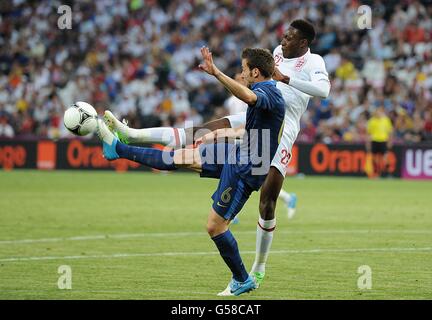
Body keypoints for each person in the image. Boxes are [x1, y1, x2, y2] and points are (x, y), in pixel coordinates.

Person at [104, 19, 328, 289]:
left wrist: (285, 78)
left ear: (303, 42)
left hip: (279, 131)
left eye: (290, 37)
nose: (283, 40)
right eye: (284, 35)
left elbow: (324, 91)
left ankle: (258, 266)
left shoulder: (314, 62)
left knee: (267, 203)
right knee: (196, 134)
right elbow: (255, 87)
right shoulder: (275, 54)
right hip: (254, 117)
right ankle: (131, 136)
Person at [96, 46, 286, 296]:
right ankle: (118, 148)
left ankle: (242, 279)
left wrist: (216, 72)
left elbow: (249, 100)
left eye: (243, 70)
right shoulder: (265, 94)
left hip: (247, 168)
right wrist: (224, 133)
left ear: (256, 72)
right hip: (239, 153)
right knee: (177, 157)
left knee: (215, 227)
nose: (242, 74)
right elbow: (259, 131)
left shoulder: (268, 93)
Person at [366, 106, 393, 177]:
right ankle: (376, 173)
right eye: (377, 111)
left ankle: (387, 173)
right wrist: (368, 143)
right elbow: (369, 134)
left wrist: (390, 141)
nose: (378, 113)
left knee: (385, 158)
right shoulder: (371, 121)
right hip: (374, 141)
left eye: (380, 111)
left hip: (383, 141)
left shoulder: (386, 120)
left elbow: (390, 132)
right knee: (374, 158)